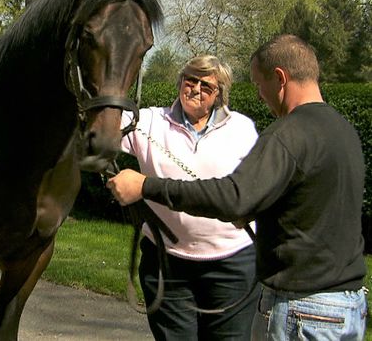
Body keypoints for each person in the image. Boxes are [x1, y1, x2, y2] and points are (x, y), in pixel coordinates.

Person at [109, 35, 367, 340]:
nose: (260, 95)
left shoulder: (286, 133)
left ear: (280, 78)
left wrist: (146, 186)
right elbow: (300, 199)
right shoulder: (342, 129)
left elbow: (234, 197)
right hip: (345, 304)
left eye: (260, 84)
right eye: (191, 80)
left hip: (301, 307)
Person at [119, 55, 259, 340]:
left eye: (206, 86)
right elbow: (99, 122)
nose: (195, 89)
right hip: (167, 264)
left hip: (233, 266)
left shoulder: (242, 129)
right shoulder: (148, 121)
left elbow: (252, 192)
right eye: (189, 80)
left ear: (219, 93)